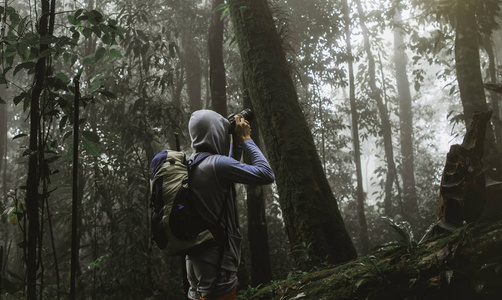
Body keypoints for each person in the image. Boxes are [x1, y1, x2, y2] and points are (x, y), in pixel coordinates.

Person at [186, 109, 275, 300]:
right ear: (214, 132)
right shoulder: (216, 165)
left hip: (194, 256)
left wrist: (235, 143)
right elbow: (266, 174)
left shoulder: (190, 163)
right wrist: (247, 139)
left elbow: (225, 179)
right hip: (216, 259)